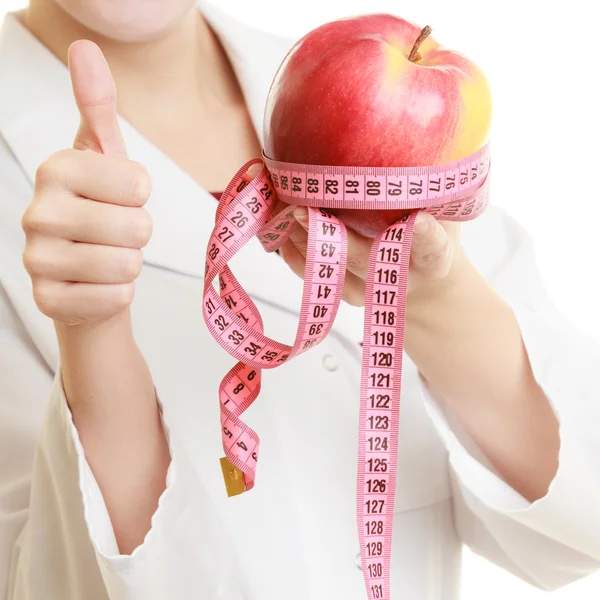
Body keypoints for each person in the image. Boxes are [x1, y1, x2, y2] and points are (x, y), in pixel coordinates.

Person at [1, 1, 599, 599]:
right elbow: (48, 582)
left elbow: (581, 512)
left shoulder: (391, 93)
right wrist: (92, 337)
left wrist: (434, 300)